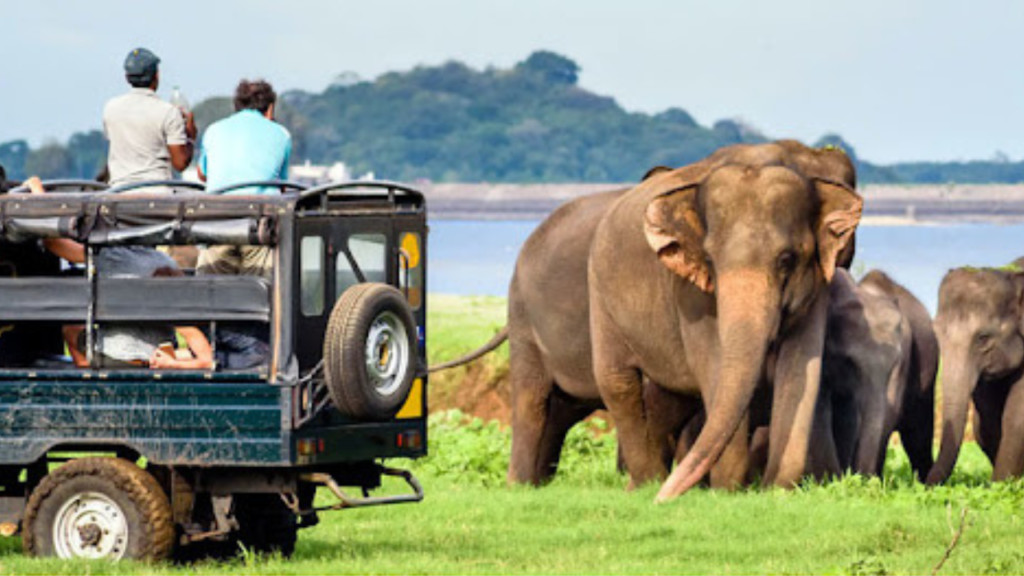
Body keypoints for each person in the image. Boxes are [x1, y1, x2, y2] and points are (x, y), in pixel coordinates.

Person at [25, 177, 212, 369]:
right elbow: (194, 338)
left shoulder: (111, 256)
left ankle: (88, 371)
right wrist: (172, 362)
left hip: (119, 359)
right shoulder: (165, 262)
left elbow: (53, 241)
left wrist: (37, 191)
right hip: (158, 356)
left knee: (71, 331)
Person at [104, 47, 197, 187]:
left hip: (119, 191)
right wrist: (190, 137)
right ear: (156, 76)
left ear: (127, 77)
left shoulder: (110, 108)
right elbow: (180, 163)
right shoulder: (168, 112)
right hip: (156, 192)